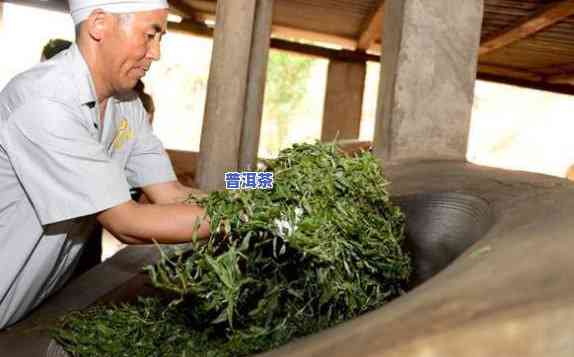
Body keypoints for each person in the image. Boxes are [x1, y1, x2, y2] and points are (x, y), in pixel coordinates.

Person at [0, 0, 211, 329]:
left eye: (160, 39)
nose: (156, 53)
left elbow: (170, 193)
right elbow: (127, 222)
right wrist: (245, 216)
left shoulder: (126, 105)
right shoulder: (45, 101)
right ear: (99, 24)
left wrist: (264, 200)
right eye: (149, 35)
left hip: (24, 300)